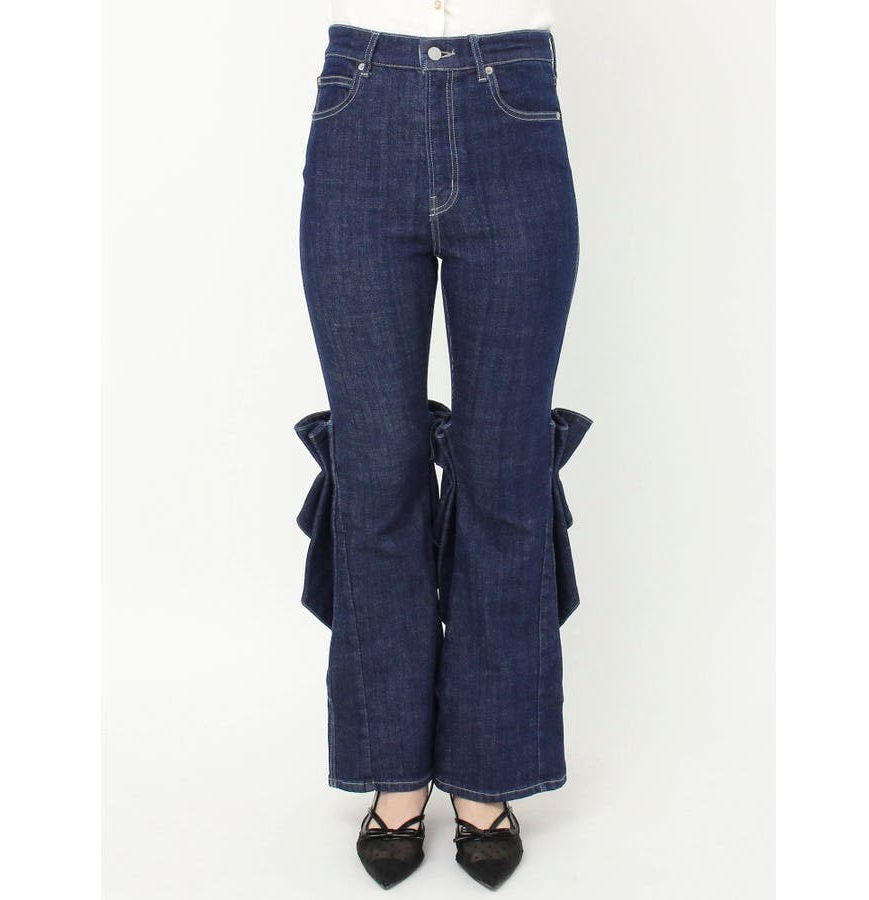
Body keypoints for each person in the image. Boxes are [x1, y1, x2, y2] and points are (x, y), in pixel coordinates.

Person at [294, 0, 593, 888]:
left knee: (504, 471)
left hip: (513, 104)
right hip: (361, 103)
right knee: (377, 469)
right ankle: (393, 770)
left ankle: (486, 771)